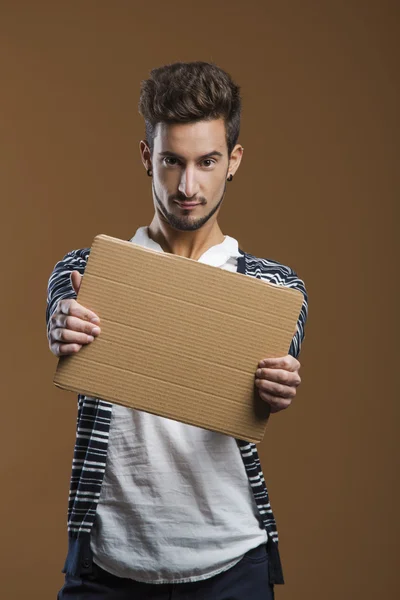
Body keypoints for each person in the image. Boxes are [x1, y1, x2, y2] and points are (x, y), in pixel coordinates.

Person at [47, 61, 308, 600]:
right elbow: (61, 317)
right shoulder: (89, 270)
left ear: (233, 161)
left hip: (231, 563)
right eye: (172, 161)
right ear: (148, 158)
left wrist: (276, 386)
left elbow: (271, 384)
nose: (188, 186)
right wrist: (62, 325)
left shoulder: (274, 289)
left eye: (207, 162)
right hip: (107, 568)